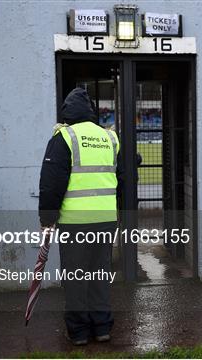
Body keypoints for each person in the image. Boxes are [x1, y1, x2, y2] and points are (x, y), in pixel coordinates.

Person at [39, 88, 119, 345]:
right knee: (99, 275)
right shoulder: (109, 138)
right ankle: (102, 327)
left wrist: (47, 219)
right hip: (106, 220)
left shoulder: (64, 137)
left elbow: (52, 184)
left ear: (67, 113)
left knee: (76, 278)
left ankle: (80, 332)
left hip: (76, 222)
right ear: (91, 113)